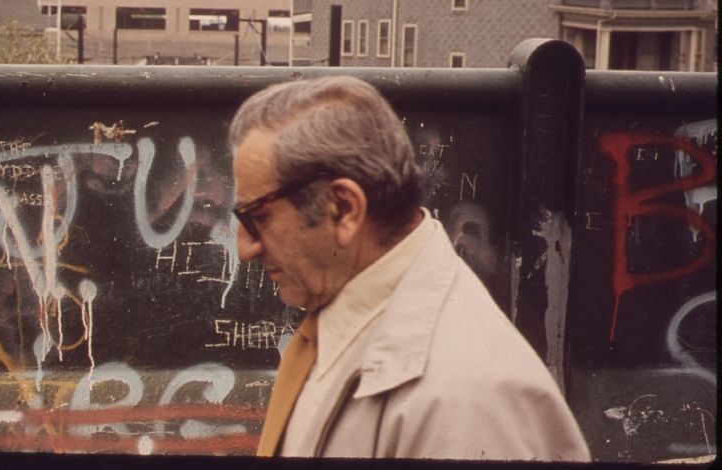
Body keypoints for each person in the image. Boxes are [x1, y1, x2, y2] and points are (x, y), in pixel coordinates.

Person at [228, 75, 590, 461]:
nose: (245, 247)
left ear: (344, 209)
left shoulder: (461, 403)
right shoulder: (350, 320)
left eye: (259, 217)